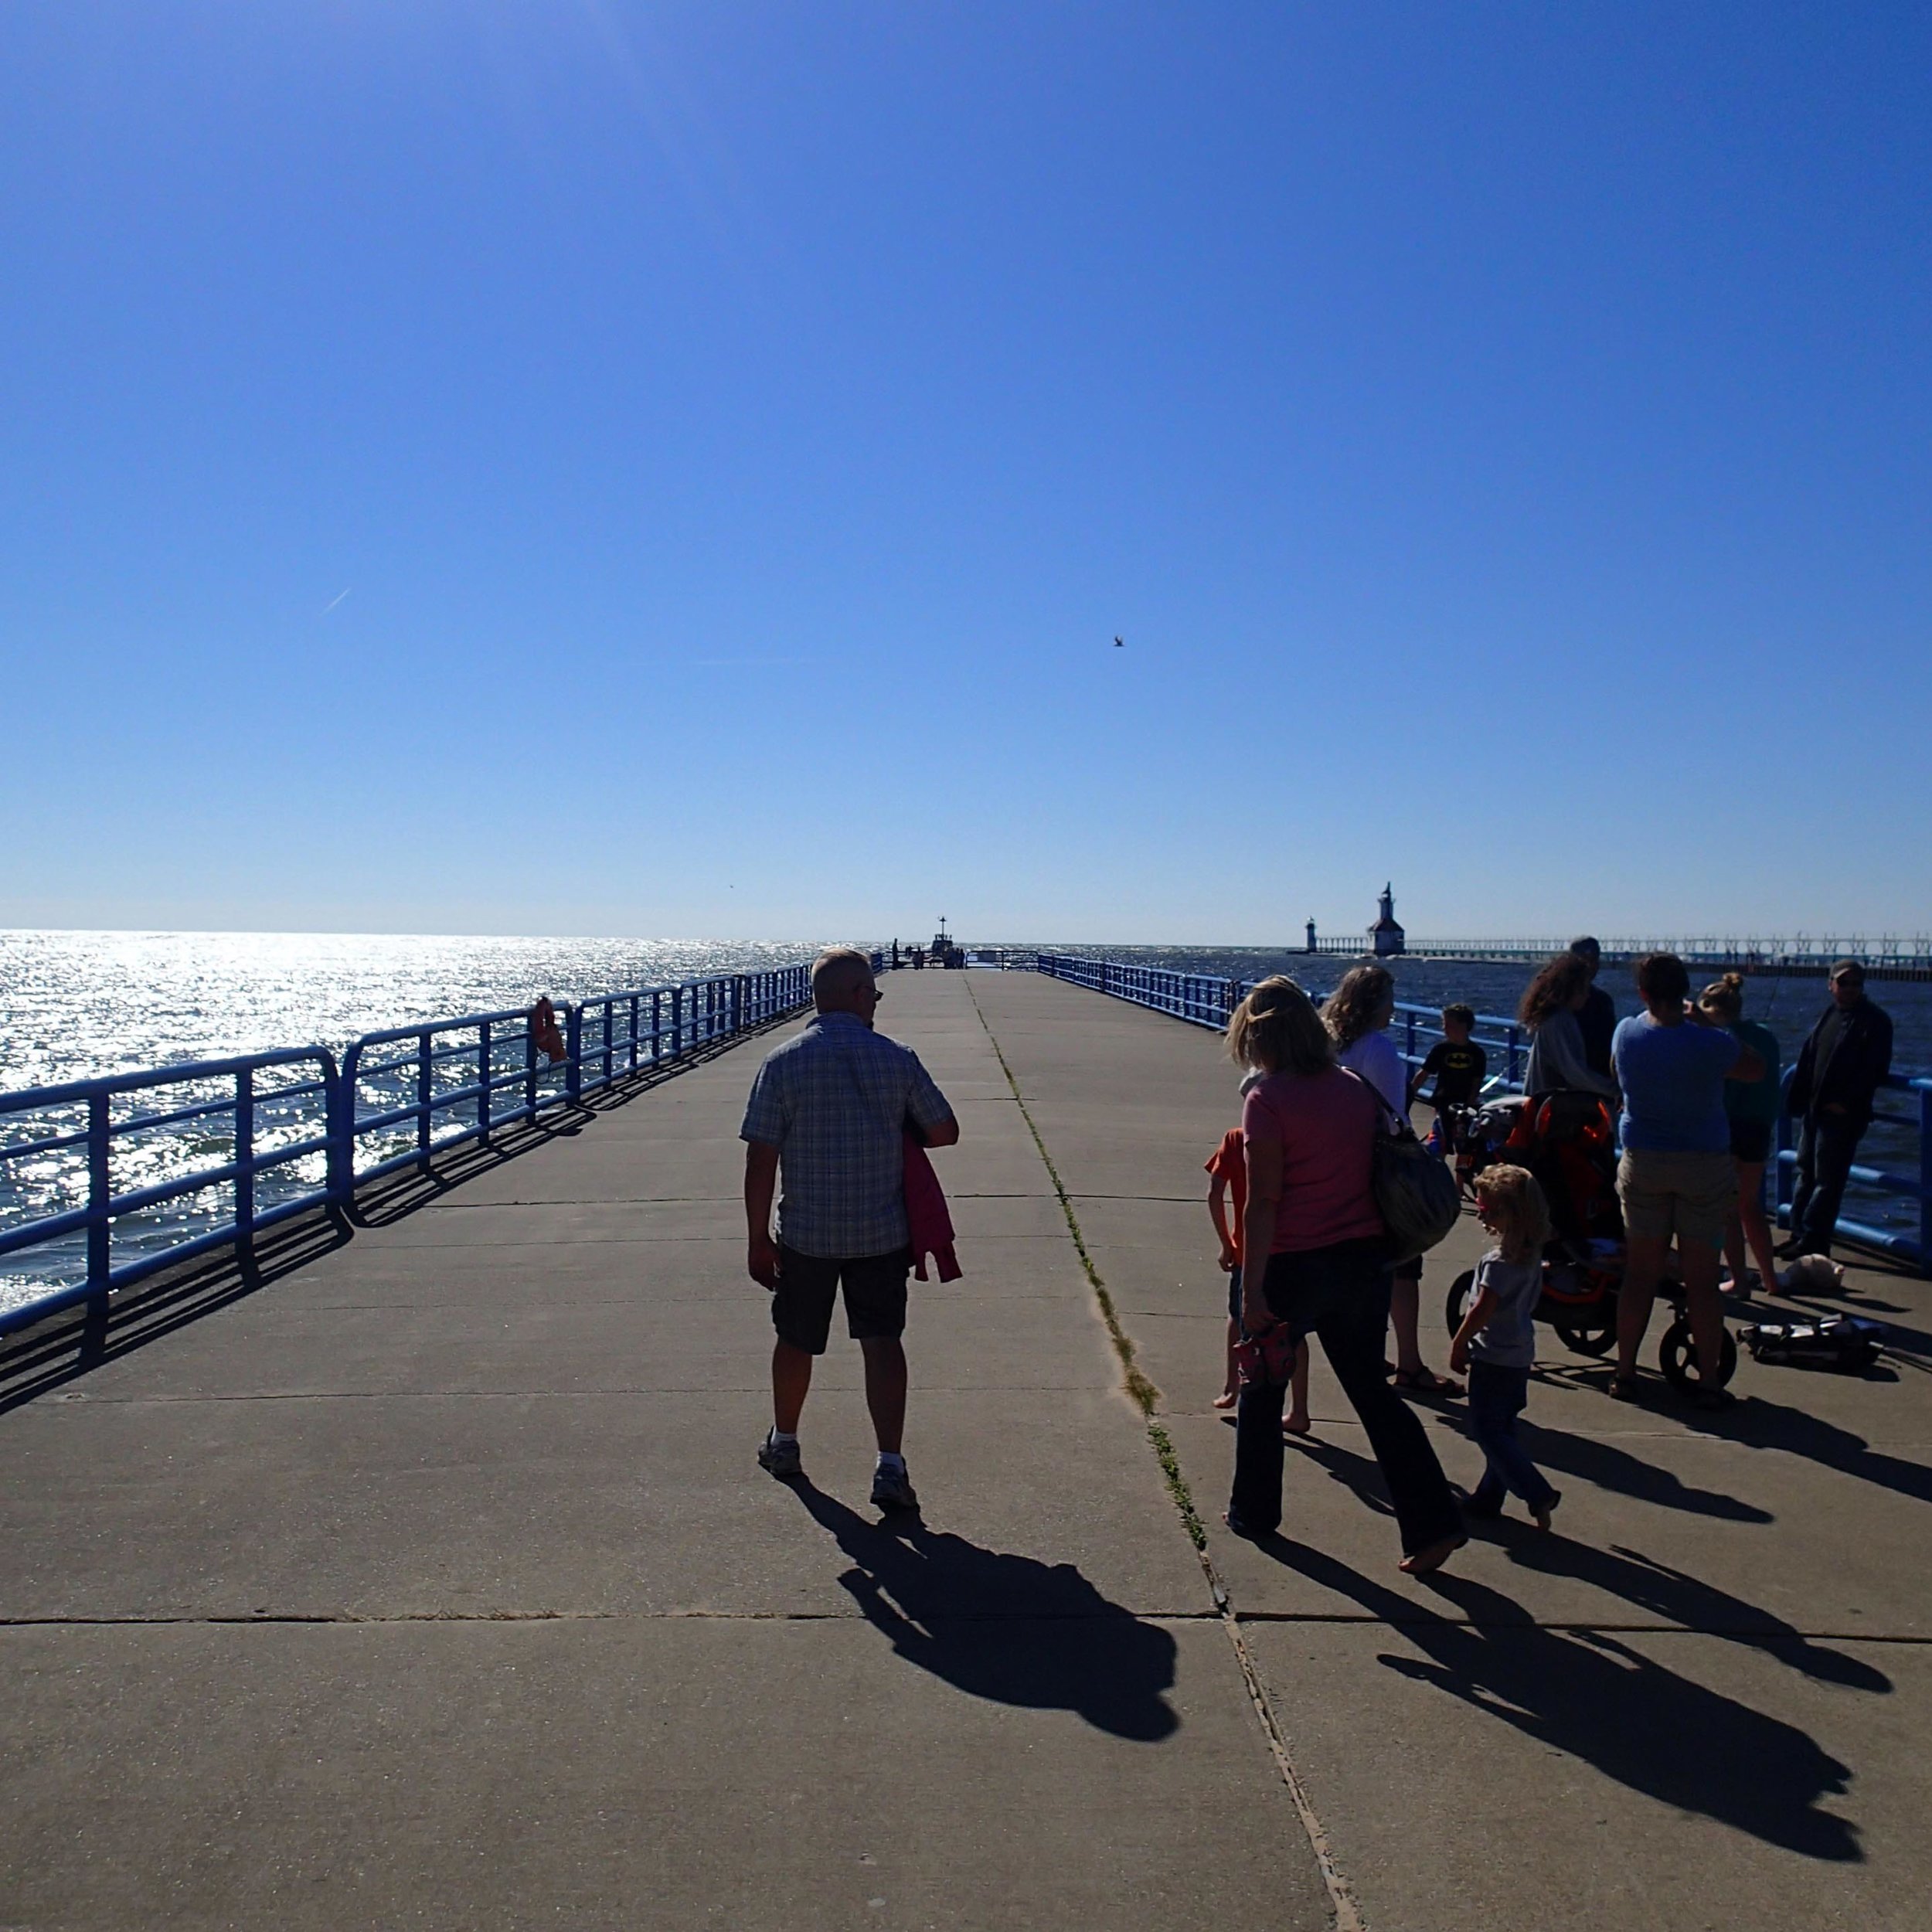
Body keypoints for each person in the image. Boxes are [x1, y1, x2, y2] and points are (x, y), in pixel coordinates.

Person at [1224, 976, 1464, 1575]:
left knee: (1262, 1388)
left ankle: (1254, 1513)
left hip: (1291, 1263)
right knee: (1372, 1393)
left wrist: (1251, 1290)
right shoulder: (1355, 1087)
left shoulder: (1267, 1099)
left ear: (1258, 1037)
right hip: (1361, 1260)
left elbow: (1264, 1203)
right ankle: (1433, 1524)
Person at [740, 947, 959, 1508]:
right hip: (880, 1233)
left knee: (795, 1340)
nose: (876, 1004)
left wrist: (757, 1239)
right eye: (874, 994)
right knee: (882, 1343)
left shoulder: (782, 1062)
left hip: (806, 1234)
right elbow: (944, 1132)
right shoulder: (896, 1058)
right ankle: (889, 1466)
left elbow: (761, 1158)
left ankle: (784, 1442)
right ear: (859, 995)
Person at [1609, 954, 1764, 1410]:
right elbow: (1755, 1069)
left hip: (1644, 1161)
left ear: (1643, 994)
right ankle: (1710, 1382)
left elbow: (1619, 1074)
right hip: (1703, 1165)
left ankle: (1625, 1372)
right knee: (1700, 1280)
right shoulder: (1709, 1042)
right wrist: (1712, 1028)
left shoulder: (1626, 1032)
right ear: (1686, 993)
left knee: (1640, 1273)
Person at [1325, 964, 1460, 1398]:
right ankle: (1410, 1364)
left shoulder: (1331, 1046)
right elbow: (1391, 1115)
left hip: (1343, 1163)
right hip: (1381, 1168)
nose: (1393, 1007)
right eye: (1388, 998)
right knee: (1404, 1264)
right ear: (1374, 1003)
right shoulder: (1378, 1049)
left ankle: (1370, 1350)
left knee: (1363, 1265)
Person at [1448, 1163, 1560, 1529]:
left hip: (1493, 1355)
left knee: (1485, 1428)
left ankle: (1536, 1491)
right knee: (1504, 1427)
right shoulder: (1530, 1256)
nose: (1484, 1218)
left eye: (1489, 1211)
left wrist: (1460, 1341)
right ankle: (1488, 1497)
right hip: (1519, 1354)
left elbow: (1482, 1309)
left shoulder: (1499, 1264)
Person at [1781, 961, 1894, 1261]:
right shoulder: (1830, 1014)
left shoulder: (1875, 1021)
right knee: (1805, 1171)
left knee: (1828, 1181)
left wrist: (1846, 1103)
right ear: (1831, 984)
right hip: (1814, 1110)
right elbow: (1811, 1057)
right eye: (1843, 983)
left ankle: (1815, 1240)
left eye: (1856, 983)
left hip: (1842, 1116)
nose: (1850, 989)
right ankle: (1799, 1233)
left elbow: (1875, 1069)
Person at [1208, 1123, 1310, 1431]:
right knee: (1293, 1332)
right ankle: (1300, 1409)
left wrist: (1226, 1243)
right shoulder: (1295, 1138)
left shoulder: (1236, 1139)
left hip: (1247, 1252)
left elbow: (1215, 1192)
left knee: (1238, 1320)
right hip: (1291, 1251)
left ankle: (1232, 1388)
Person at [1696, 974, 1782, 1294]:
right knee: (1750, 1205)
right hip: (1759, 1129)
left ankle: (1739, 1279)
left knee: (1727, 1209)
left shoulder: (1720, 1039)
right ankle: (1771, 1278)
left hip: (1728, 1127)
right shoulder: (1766, 1037)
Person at [1519, 952, 1619, 1102]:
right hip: (1548, 1107)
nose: (1587, 996)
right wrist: (1615, 1090)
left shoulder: (1555, 1017)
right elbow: (1574, 1072)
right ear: (1570, 989)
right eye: (1583, 989)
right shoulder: (1558, 1021)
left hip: (1547, 1102)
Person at [1406, 1004, 1487, 1116]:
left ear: (1463, 1025)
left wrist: (1469, 1105)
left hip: (1463, 1104)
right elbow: (1424, 1074)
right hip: (1441, 1101)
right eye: (1444, 1024)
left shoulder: (1477, 1053)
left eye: (1449, 1025)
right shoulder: (1441, 1049)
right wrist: (1409, 1096)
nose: (1444, 1028)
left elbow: (1476, 1083)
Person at [1570, 937, 1617, 1080]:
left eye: (1594, 960)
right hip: (1573, 1085)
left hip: (1595, 1082)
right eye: (1585, 960)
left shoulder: (1603, 1001)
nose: (1590, 966)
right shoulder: (1557, 1001)